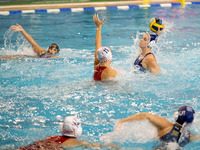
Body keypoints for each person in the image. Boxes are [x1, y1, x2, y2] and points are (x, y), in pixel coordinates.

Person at [115, 105, 200, 149]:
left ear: (176, 115)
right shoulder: (189, 136)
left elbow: (145, 115)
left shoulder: (166, 125)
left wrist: (123, 121)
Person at [18, 115, 120, 150]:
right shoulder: (76, 143)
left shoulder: (51, 137)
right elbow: (96, 146)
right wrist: (114, 146)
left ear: (62, 128)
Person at [93, 14, 117, 81]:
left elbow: (97, 45)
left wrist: (99, 27)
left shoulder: (96, 66)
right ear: (109, 57)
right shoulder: (111, 72)